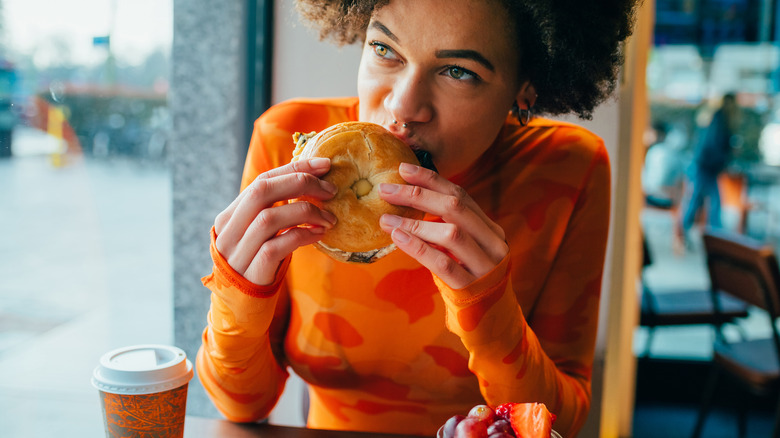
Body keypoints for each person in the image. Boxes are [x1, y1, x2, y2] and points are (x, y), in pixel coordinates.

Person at [196, 0, 639, 436]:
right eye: (385, 49)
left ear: (525, 86)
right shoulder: (286, 144)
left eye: (459, 71)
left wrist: (492, 317)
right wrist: (238, 298)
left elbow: (563, 419)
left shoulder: (568, 169)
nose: (404, 107)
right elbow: (242, 406)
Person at [680, 93, 740, 239]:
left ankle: (688, 230)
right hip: (706, 166)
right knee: (708, 201)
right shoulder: (720, 119)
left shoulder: (717, 118)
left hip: (706, 165)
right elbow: (714, 145)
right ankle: (714, 236)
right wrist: (725, 159)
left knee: (701, 200)